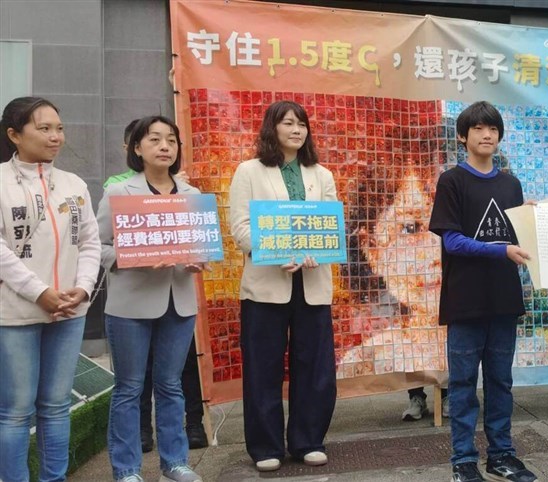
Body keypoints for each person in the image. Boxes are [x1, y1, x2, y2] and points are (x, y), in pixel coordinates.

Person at [429, 100, 537, 482]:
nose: (487, 134)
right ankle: (463, 460)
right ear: (463, 136)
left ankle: (502, 455)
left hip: (504, 299)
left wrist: (540, 219)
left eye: (492, 128)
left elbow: (520, 236)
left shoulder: (510, 183)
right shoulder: (451, 181)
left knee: (500, 382)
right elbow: (453, 242)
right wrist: (500, 249)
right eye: (478, 128)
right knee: (461, 384)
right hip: (465, 299)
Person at [229, 100, 337, 472]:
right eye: (288, 123)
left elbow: (329, 227)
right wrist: (274, 252)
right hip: (265, 285)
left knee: (315, 365)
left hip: (312, 281)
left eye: (302, 123)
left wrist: (314, 252)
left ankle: (308, 440)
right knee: (263, 366)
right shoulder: (250, 171)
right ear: (271, 128)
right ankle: (265, 446)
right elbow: (240, 226)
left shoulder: (321, 174)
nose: (296, 129)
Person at [97, 116, 205, 482]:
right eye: (154, 139)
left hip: (179, 302)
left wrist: (198, 260)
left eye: (171, 140)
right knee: (129, 388)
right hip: (131, 304)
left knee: (171, 385)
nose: (164, 146)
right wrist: (133, 259)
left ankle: (175, 462)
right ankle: (127, 469)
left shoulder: (192, 196)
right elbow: (98, 247)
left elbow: (201, 247)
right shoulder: (119, 193)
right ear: (136, 148)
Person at [0, 96, 101, 482]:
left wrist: (83, 287)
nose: (55, 136)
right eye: (44, 128)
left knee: (56, 405)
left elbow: (90, 243)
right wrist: (39, 291)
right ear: (14, 134)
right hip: (16, 313)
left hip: (69, 311)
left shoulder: (73, 184)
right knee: (15, 411)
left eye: (58, 128)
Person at [338, 159, 448, 421]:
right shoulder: (364, 360)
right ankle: (416, 396)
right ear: (371, 250)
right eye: (411, 228)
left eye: (445, 227)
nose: (436, 250)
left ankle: (448, 395)